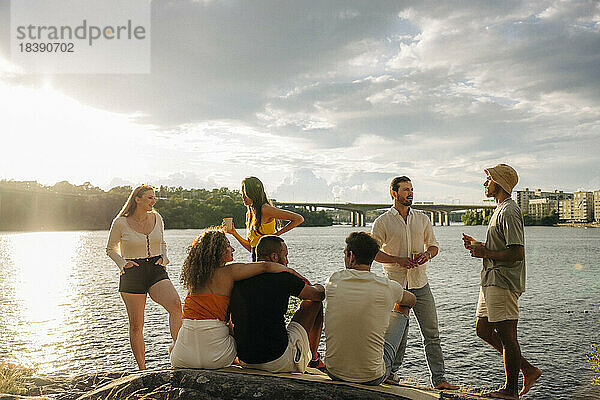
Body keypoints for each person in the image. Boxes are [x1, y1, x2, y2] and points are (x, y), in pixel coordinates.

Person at [463, 164, 542, 399]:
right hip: (490, 279)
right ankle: (528, 370)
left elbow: (517, 253)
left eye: (488, 179)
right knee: (483, 329)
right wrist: (480, 246)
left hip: (503, 281)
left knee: (508, 336)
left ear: (500, 183)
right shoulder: (499, 210)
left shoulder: (509, 211)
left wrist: (484, 253)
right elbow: (502, 248)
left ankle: (511, 390)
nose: (484, 183)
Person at [371, 176, 457, 389]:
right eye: (405, 190)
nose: (410, 193)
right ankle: (390, 373)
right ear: (394, 193)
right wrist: (397, 260)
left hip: (421, 284)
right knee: (397, 333)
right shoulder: (382, 221)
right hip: (395, 286)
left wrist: (427, 255)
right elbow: (372, 253)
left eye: (412, 189)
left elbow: (434, 246)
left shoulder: (422, 219)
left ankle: (439, 380)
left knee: (432, 333)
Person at [170, 228, 299, 369]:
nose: (232, 249)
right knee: (236, 337)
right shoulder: (228, 272)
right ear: (217, 250)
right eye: (228, 245)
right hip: (217, 358)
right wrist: (289, 271)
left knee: (172, 347)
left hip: (183, 358)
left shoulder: (194, 280)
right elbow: (265, 266)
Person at [324, 232, 416, 385]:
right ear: (372, 258)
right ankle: (391, 372)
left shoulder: (333, 280)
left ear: (351, 256)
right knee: (403, 307)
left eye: (345, 254)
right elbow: (412, 300)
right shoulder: (387, 286)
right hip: (372, 377)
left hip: (333, 372)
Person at [106, 184, 182, 370]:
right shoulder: (120, 222)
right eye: (149, 197)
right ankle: (142, 369)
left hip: (156, 269)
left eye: (153, 197)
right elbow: (110, 249)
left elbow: (162, 242)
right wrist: (123, 263)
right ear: (137, 199)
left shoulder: (157, 218)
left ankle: (180, 354)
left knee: (175, 305)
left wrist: (164, 257)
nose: (153, 201)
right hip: (133, 272)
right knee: (137, 325)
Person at [229, 235, 324, 373]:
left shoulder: (238, 279)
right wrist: (319, 286)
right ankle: (314, 360)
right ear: (274, 257)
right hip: (277, 360)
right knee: (314, 303)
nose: (287, 261)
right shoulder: (283, 277)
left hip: (246, 359)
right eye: (285, 255)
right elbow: (318, 295)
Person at [223, 176, 304, 261]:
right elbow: (251, 248)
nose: (243, 197)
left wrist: (275, 236)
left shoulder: (265, 209)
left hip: (270, 260)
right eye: (242, 193)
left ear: (253, 193)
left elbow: (298, 219)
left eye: (245, 193)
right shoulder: (249, 214)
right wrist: (234, 233)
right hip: (257, 260)